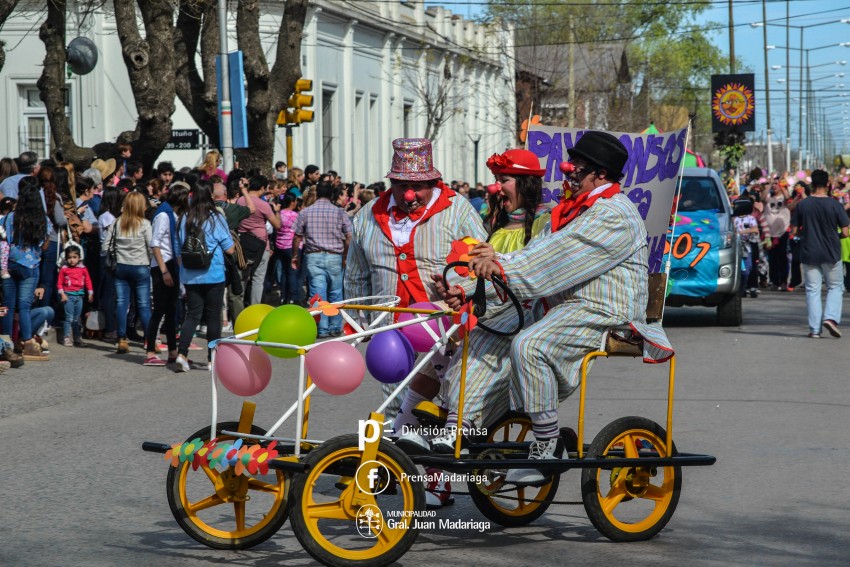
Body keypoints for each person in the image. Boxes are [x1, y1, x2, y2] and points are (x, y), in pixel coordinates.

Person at [436, 131, 673, 486]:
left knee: (531, 345)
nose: (568, 170)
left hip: (606, 310)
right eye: (571, 163)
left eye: (578, 166)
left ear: (600, 174)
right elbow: (539, 252)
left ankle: (549, 446)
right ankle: (461, 426)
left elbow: (556, 258)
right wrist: (465, 289)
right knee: (489, 334)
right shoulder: (572, 210)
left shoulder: (613, 213)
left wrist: (501, 265)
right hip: (562, 304)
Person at [174, 179, 235, 372]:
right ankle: (211, 359)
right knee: (213, 317)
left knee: (192, 315)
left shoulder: (184, 218)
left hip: (190, 275)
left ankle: (182, 354)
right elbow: (230, 249)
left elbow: (179, 249)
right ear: (210, 196)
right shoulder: (216, 218)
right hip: (213, 273)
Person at [791, 169, 850, 338]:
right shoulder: (835, 205)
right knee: (835, 287)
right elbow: (846, 233)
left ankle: (814, 329)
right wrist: (835, 235)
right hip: (831, 252)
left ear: (812, 185)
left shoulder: (803, 205)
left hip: (809, 252)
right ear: (828, 185)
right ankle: (830, 318)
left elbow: (794, 231)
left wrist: (805, 234)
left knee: (812, 290)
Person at [291, 182, 352, 337]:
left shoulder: (306, 212)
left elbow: (297, 236)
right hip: (335, 256)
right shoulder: (339, 212)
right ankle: (335, 326)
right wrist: (346, 255)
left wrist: (295, 255)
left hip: (313, 256)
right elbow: (349, 236)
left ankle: (322, 327)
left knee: (317, 294)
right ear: (332, 194)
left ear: (317, 193)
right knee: (336, 292)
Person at [1, 177, 49, 360]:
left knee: (6, 306)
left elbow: (3, 240)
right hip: (30, 266)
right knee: (24, 307)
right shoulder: (42, 219)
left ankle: (6, 344)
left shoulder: (9, 218)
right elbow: (44, 246)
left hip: (8, 266)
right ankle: (28, 342)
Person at [143, 184, 189, 366]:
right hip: (162, 266)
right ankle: (149, 352)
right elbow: (155, 244)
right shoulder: (163, 215)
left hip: (172, 265)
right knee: (159, 310)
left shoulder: (174, 215)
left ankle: (172, 351)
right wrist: (164, 271)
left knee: (171, 310)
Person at [105, 191, 152, 354]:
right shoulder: (145, 224)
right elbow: (151, 247)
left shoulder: (117, 223)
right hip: (140, 266)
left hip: (121, 266)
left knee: (121, 303)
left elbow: (105, 247)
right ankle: (149, 340)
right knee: (144, 305)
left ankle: (122, 338)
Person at [236, 176, 280, 306]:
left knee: (243, 278)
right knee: (258, 279)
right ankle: (255, 308)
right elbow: (277, 225)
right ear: (262, 188)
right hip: (261, 244)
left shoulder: (240, 200)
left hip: (242, 243)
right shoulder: (263, 205)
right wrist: (277, 212)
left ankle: (240, 306)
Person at [97, 186, 125, 342]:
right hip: (108, 257)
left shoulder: (108, 216)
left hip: (112, 256)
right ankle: (109, 328)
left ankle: (112, 326)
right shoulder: (107, 217)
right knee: (109, 293)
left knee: (113, 293)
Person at [57, 245, 94, 347]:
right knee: (69, 317)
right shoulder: (64, 269)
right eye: (69, 257)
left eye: (74, 257)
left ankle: (77, 338)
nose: (72, 260)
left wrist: (90, 293)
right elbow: (59, 283)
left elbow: (88, 281)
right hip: (68, 296)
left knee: (77, 319)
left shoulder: (83, 269)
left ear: (79, 258)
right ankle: (66, 338)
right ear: (66, 258)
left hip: (79, 297)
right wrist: (62, 294)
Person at [275, 193, 301, 305]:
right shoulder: (295, 215)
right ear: (292, 202)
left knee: (284, 272)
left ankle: (283, 296)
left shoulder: (279, 213)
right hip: (292, 246)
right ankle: (292, 298)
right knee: (292, 272)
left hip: (280, 246)